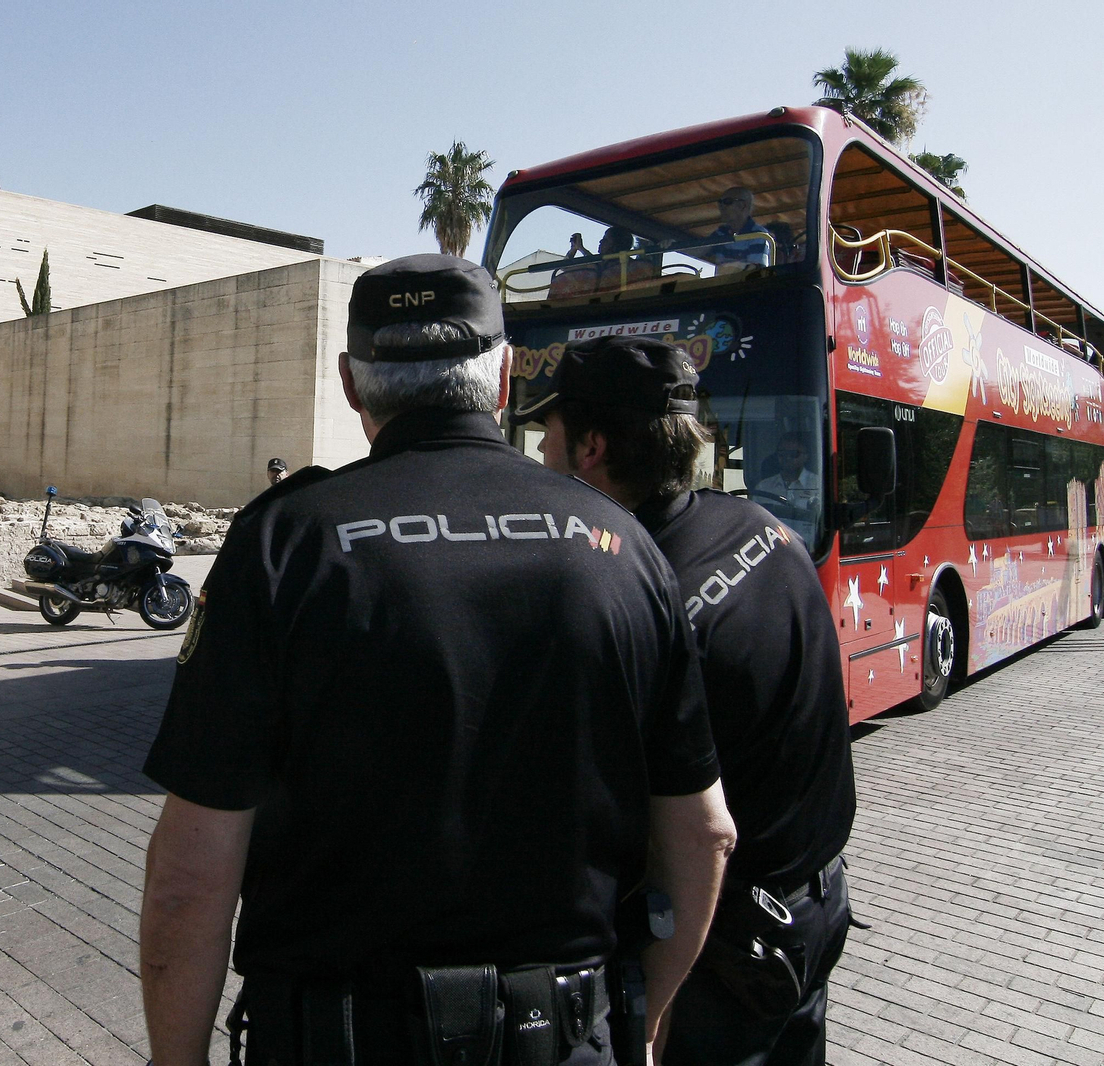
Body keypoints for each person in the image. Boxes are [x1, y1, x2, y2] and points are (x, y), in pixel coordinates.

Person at [138, 254, 735, 1066]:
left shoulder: (284, 542)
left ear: (352, 383)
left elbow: (192, 870)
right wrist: (647, 1016)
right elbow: (703, 834)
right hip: (558, 1039)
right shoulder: (624, 547)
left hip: (335, 1040)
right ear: (501, 379)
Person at [521, 335, 855, 1066]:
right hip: (816, 909)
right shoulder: (766, 531)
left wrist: (657, 998)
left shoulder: (639, 596)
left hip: (721, 953)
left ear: (591, 448)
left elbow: (697, 835)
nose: (539, 453)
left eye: (545, 434)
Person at [755, 431, 821, 549]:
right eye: (782, 454)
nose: (787, 458)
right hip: (773, 551)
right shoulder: (763, 487)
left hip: (809, 551)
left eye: (794, 454)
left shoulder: (818, 485)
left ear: (806, 456)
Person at [703, 187, 771, 271]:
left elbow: (756, 272)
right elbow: (696, 252)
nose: (721, 207)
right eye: (720, 202)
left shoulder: (759, 235)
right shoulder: (720, 233)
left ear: (742, 206)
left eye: (727, 202)